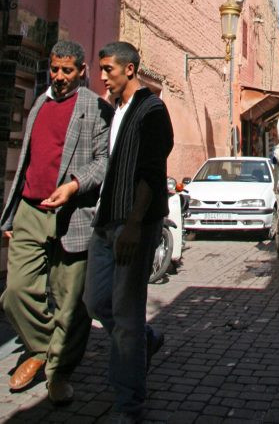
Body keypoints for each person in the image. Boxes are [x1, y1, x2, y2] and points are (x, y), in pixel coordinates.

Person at [0, 40, 113, 404]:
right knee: (15, 291)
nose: (59, 77)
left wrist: (74, 185)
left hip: (73, 212)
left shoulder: (96, 108)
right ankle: (43, 346)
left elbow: (104, 161)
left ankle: (58, 372)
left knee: (70, 302)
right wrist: (13, 210)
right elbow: (31, 158)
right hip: (31, 209)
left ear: (82, 71)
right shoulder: (39, 103)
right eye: (54, 69)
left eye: (67, 70)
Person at [83, 41, 174, 424]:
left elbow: (152, 171)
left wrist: (135, 224)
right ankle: (145, 341)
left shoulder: (152, 110)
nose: (103, 77)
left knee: (126, 314)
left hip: (133, 223)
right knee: (95, 301)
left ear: (130, 70)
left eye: (109, 70)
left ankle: (128, 404)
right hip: (105, 222)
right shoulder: (114, 110)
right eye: (102, 69)